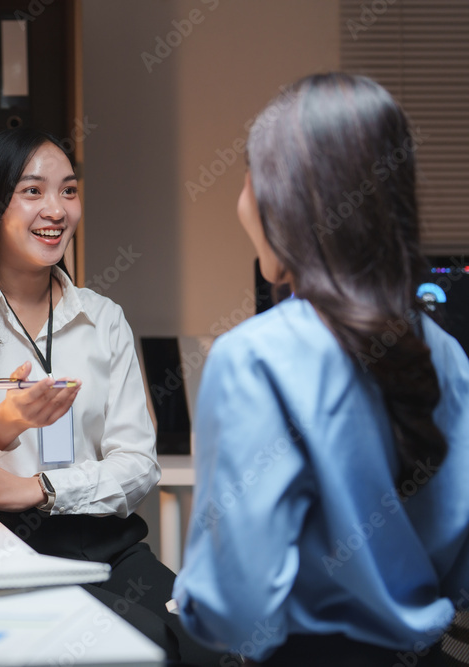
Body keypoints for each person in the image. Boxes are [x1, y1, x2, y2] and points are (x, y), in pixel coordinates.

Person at [0, 127, 225, 664]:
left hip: (100, 543)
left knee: (205, 644)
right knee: (129, 649)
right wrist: (0, 427)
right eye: (32, 191)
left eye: (69, 191)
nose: (57, 209)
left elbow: (138, 464)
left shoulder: (103, 318)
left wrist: (36, 488)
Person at [173, 73, 469, 666]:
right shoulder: (448, 355)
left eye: (249, 176)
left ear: (284, 200)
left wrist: (191, 600)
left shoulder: (251, 358)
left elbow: (236, 609)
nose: (240, 201)